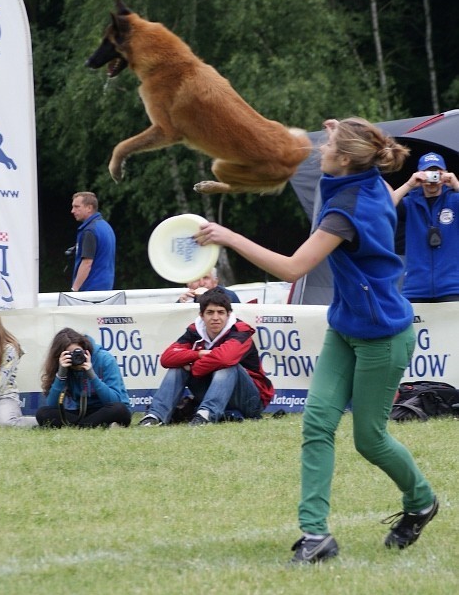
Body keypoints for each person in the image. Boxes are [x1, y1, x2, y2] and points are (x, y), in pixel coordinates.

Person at [194, 117, 438, 563]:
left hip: (383, 336)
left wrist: (228, 236)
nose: (318, 149)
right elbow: (374, 187)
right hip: (346, 327)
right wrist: (343, 130)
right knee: (317, 425)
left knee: (370, 439)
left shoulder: (350, 209)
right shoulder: (370, 182)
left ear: (345, 159)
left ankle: (421, 500)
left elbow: (292, 269)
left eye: (327, 145)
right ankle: (315, 537)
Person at [139, 288, 273, 427]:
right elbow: (167, 358)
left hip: (250, 401)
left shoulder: (240, 331)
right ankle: (155, 416)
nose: (215, 317)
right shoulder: (194, 330)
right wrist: (197, 354)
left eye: (220, 312)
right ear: (201, 315)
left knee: (227, 366)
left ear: (229, 314)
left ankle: (205, 416)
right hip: (215, 393)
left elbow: (224, 359)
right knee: (177, 367)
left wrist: (192, 367)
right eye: (210, 312)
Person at [391, 151, 459, 302]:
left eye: (437, 173)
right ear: (420, 175)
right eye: (427, 173)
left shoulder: (455, 201)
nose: (432, 179)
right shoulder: (409, 204)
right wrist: (409, 185)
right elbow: (381, 208)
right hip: (415, 289)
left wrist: (456, 184)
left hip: (452, 287)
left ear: (445, 174)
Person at [36, 327, 132, 428]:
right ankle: (91, 425)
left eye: (78, 352)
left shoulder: (105, 359)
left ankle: (77, 426)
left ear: (85, 349)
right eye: (70, 355)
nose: (76, 357)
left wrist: (92, 375)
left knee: (119, 410)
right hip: (83, 412)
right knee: (43, 413)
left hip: (106, 409)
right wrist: (61, 375)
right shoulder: (62, 367)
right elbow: (52, 405)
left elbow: (114, 400)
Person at [70, 191, 116, 292]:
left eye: (77, 207)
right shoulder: (106, 226)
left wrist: (75, 289)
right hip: (106, 286)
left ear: (89, 208)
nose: (72, 211)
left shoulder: (89, 231)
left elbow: (87, 263)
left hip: (91, 288)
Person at [176, 268, 241, 304]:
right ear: (188, 284)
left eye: (206, 278)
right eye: (196, 279)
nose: (201, 284)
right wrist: (180, 305)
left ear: (215, 282)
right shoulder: (187, 299)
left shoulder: (229, 296)